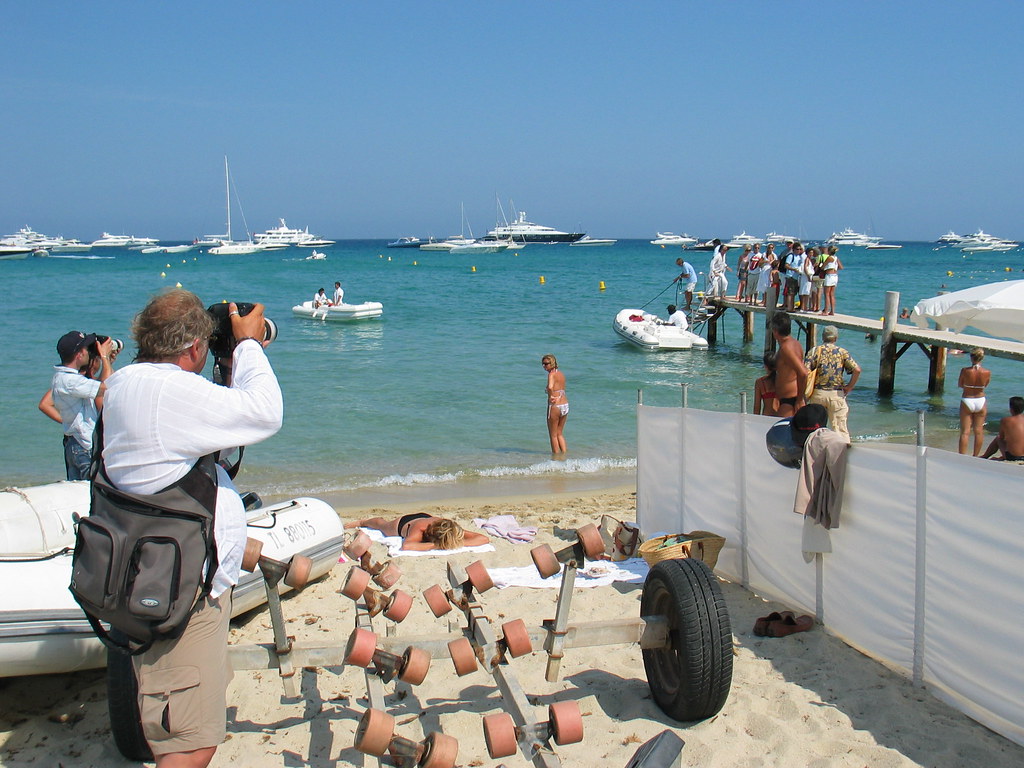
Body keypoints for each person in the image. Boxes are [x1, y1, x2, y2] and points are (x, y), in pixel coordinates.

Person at [101, 288, 283, 767]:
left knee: (185, 722)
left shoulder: (125, 384)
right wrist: (246, 346)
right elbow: (265, 412)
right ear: (193, 349)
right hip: (181, 593)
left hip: (159, 573)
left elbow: (202, 437)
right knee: (189, 742)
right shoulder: (170, 392)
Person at [51, 331, 115, 480]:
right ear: (79, 354)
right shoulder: (70, 381)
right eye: (86, 349)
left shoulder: (63, 378)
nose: (89, 352)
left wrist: (108, 362)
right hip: (83, 447)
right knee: (88, 492)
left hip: (75, 445)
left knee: (79, 493)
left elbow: (96, 389)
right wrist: (104, 357)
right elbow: (106, 388)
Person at [805, 326, 861, 442]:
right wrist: (849, 387)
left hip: (818, 393)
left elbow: (805, 371)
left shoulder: (815, 351)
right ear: (835, 338)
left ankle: (816, 453)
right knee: (840, 431)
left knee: (815, 430)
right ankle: (842, 455)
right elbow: (857, 370)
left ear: (823, 337)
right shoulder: (842, 352)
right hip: (836, 394)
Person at [344, 514, 489, 551]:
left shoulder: (450, 529)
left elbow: (483, 538)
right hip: (403, 525)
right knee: (382, 525)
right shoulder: (419, 530)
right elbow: (407, 546)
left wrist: (458, 542)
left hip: (428, 518)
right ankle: (362, 522)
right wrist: (436, 546)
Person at [770, 312, 808, 418]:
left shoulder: (786, 348)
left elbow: (803, 373)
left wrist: (799, 400)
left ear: (775, 331)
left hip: (791, 400)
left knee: (783, 433)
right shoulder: (796, 343)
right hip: (790, 398)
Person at [958, 347, 991, 456]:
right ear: (982, 358)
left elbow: (960, 384)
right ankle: (975, 456)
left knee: (965, 432)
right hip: (980, 399)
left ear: (971, 357)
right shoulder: (987, 372)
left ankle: (962, 456)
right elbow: (985, 385)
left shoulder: (965, 371)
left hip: (967, 399)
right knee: (979, 431)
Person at [542, 353, 568, 454]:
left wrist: (550, 396)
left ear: (552, 363)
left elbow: (550, 387)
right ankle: (564, 455)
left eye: (546, 364)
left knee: (553, 435)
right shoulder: (560, 374)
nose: (544, 366)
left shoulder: (551, 374)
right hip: (565, 404)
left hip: (555, 406)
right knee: (559, 433)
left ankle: (556, 458)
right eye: (543, 364)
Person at [753, 351, 779, 417]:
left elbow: (757, 407)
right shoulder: (782, 381)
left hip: (766, 418)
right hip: (780, 417)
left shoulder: (760, 382)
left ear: (765, 366)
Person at [782, 243, 805, 311]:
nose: (799, 250)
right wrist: (793, 269)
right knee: (790, 293)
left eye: (800, 249)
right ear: (794, 249)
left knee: (794, 293)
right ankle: (790, 308)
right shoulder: (791, 256)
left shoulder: (800, 257)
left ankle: (792, 307)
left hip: (796, 277)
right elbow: (786, 265)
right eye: (797, 249)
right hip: (790, 276)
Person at [821, 245, 842, 315]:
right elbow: (841, 267)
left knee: (826, 294)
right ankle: (832, 311)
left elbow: (823, 267)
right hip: (835, 276)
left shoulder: (829, 258)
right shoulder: (836, 258)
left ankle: (826, 311)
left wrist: (826, 267)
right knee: (832, 294)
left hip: (829, 276)